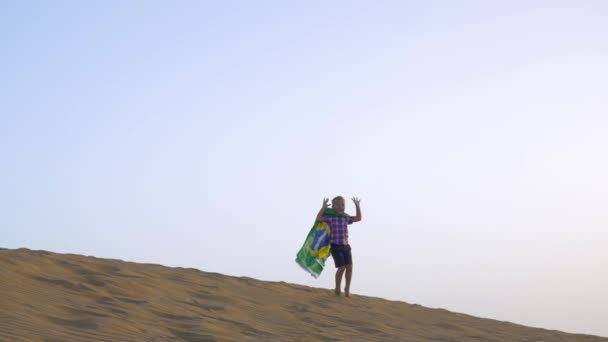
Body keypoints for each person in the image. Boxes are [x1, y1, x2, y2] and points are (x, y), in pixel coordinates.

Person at [316, 196, 362, 297]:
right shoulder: (331, 218)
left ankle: (347, 288)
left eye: (342, 205)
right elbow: (319, 218)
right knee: (341, 268)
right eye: (338, 205)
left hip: (346, 246)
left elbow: (358, 218)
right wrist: (323, 207)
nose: (341, 207)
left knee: (349, 267)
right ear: (333, 206)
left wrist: (357, 206)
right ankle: (337, 288)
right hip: (335, 246)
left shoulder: (345, 218)